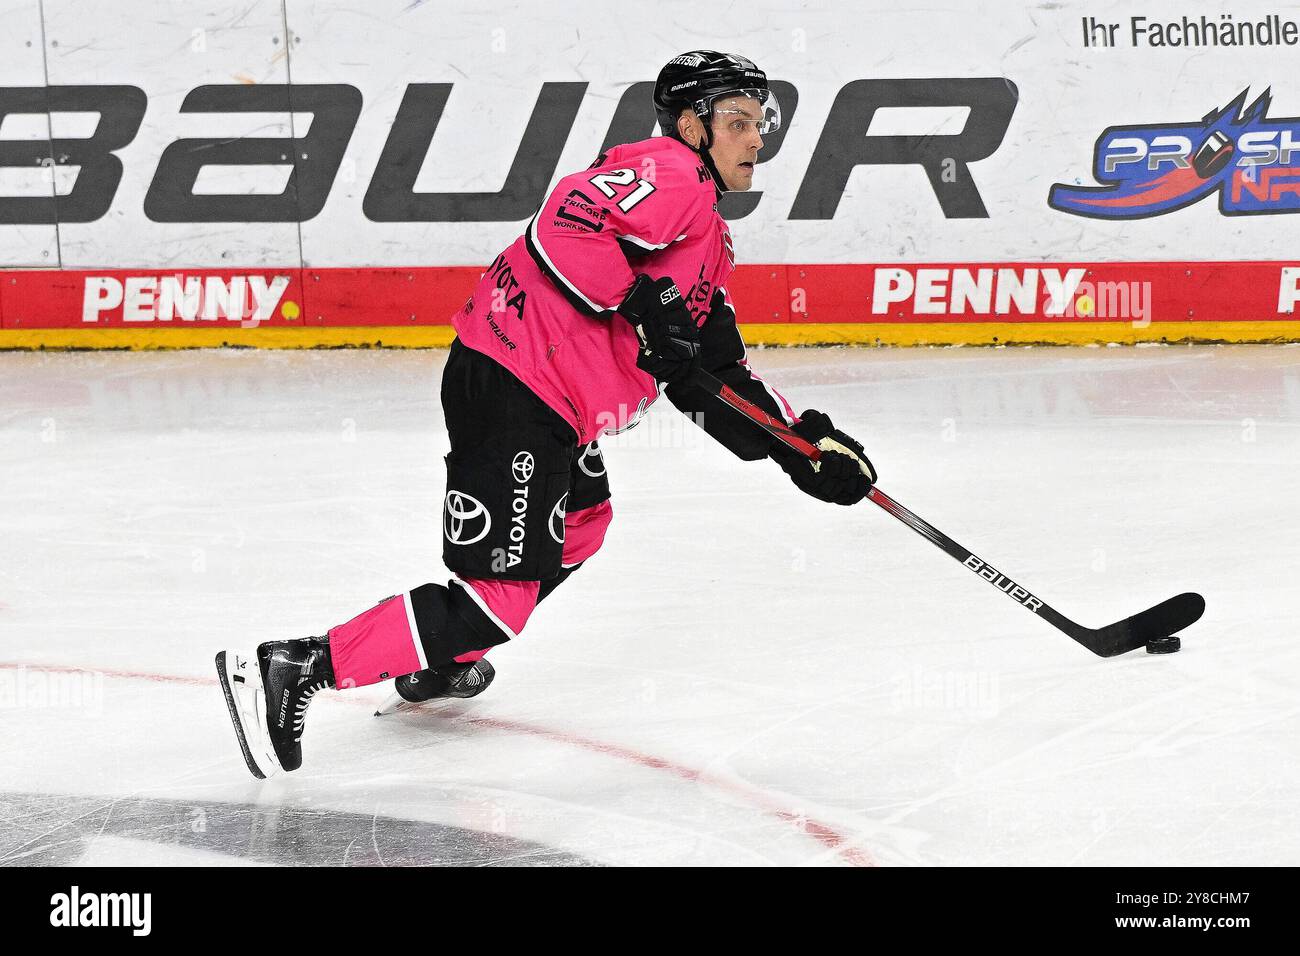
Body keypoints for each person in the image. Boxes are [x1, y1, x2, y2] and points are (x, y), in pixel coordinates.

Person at [216, 51, 876, 779]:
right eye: (739, 122)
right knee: (501, 598)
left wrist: (804, 450)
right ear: (692, 128)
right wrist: (636, 300)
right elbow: (565, 222)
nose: (758, 139)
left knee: (583, 523)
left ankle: (439, 655)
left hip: (548, 399)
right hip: (515, 380)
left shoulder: (708, 242)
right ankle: (297, 665)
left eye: (761, 123)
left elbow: (710, 374)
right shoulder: (671, 174)